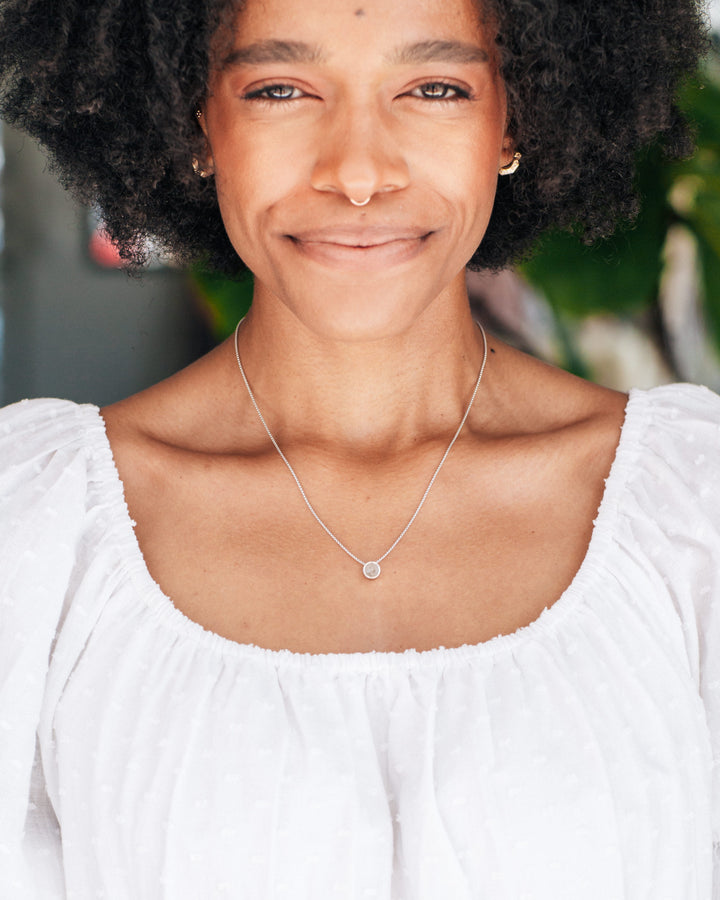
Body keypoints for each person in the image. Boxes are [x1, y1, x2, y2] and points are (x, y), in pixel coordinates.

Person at [0, 0, 717, 896]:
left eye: (435, 86)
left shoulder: (693, 513)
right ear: (196, 122)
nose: (359, 173)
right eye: (281, 89)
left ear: (514, 117)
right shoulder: (35, 535)